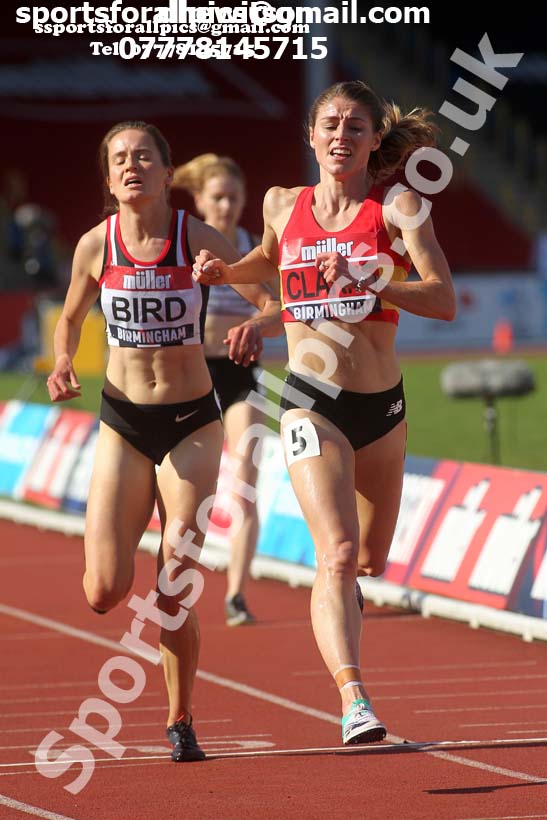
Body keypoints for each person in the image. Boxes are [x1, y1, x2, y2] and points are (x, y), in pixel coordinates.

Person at [193, 81, 456, 745]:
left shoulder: (395, 208)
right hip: (310, 401)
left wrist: (374, 278)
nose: (340, 136)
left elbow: (442, 298)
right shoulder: (284, 204)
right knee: (334, 553)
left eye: (354, 126)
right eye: (329, 124)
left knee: (367, 559)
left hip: (382, 408)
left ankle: (346, 606)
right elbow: (269, 262)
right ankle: (353, 697)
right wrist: (228, 277)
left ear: (372, 141)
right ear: (310, 135)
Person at [46, 121, 280, 762]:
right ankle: (115, 557)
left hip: (191, 422)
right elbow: (68, 316)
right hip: (123, 422)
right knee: (102, 593)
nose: (131, 166)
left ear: (164, 170)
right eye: (119, 158)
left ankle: (180, 717)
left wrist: (256, 324)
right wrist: (63, 360)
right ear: (108, 176)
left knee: (174, 582)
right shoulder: (97, 245)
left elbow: (273, 300)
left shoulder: (196, 237)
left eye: (143, 156)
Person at [173, 154, 277, 626]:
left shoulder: (254, 250)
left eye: (235, 197)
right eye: (218, 196)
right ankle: (176, 586)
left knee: (246, 486)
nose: (228, 205)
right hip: (193, 377)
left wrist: (257, 323)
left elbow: (277, 308)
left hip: (240, 378)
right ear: (199, 200)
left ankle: (237, 594)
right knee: (192, 491)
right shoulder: (183, 247)